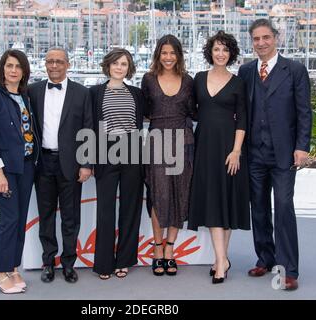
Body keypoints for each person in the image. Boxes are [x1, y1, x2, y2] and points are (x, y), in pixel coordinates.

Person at [238, 19, 312, 291]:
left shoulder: (294, 70)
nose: (261, 43)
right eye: (256, 39)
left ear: (276, 38)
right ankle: (264, 258)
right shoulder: (245, 72)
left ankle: (288, 269)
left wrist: (301, 146)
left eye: (266, 37)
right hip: (254, 153)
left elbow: (304, 111)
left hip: (283, 154)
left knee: (282, 208)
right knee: (257, 208)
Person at [188, 31, 250, 284]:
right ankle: (222, 261)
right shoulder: (199, 78)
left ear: (231, 53)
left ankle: (221, 260)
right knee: (214, 201)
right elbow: (189, 110)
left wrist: (236, 151)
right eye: (216, 49)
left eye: (225, 49)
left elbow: (243, 119)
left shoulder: (238, 83)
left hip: (229, 149)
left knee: (226, 201)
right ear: (210, 52)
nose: (221, 53)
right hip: (205, 147)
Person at [28, 47, 93, 284]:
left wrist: (86, 164)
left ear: (67, 64)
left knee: (70, 217)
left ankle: (68, 264)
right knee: (46, 217)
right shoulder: (32, 91)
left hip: (71, 164)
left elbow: (88, 129)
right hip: (42, 163)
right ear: (45, 64)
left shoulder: (81, 93)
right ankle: (48, 263)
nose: (54, 66)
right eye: (49, 61)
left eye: (58, 61)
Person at [0, 49, 38, 294]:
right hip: (3, 169)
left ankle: (12, 267)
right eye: (9, 65)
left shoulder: (25, 97)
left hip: (25, 165)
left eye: (18, 67)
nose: (13, 70)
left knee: (20, 219)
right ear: (2, 68)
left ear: (24, 72)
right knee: (9, 218)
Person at [141, 34, 196, 277]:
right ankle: (156, 247)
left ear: (179, 55)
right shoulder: (149, 79)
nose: (168, 57)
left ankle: (170, 249)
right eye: (164, 53)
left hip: (184, 142)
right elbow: (143, 111)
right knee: (158, 194)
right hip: (156, 142)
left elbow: (195, 111)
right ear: (158, 55)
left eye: (172, 53)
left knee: (180, 195)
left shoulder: (188, 80)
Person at [89, 48, 145, 280]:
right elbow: (90, 126)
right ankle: (103, 263)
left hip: (132, 149)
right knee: (105, 210)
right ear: (108, 66)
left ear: (129, 68)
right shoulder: (94, 93)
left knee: (130, 208)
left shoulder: (137, 93)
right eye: (116, 63)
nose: (119, 67)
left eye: (124, 64)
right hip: (105, 150)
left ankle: (124, 260)